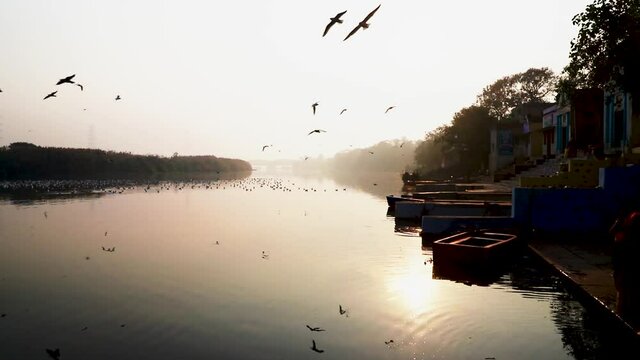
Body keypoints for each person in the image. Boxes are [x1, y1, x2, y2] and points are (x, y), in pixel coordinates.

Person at [610, 209, 640, 329]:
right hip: (628, 270)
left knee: (625, 297)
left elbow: (613, 234)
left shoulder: (623, 238)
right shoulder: (625, 238)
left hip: (626, 270)